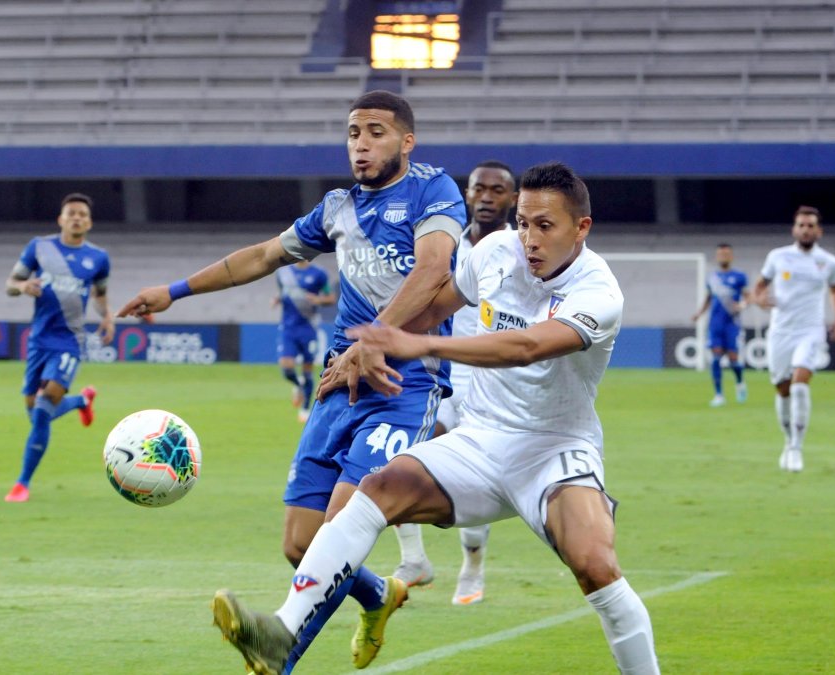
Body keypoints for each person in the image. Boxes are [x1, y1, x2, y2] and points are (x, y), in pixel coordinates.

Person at [209, 162, 661, 675]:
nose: (529, 239)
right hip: (480, 440)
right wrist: (371, 347)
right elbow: (433, 307)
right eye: (523, 222)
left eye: (545, 226)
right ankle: (281, 633)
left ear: (582, 228)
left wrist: (416, 344)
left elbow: (528, 346)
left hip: (554, 448)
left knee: (594, 566)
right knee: (376, 489)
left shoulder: (599, 292)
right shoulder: (495, 252)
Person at [119, 91, 466, 673]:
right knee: (301, 546)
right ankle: (380, 597)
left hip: (403, 387)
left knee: (340, 527)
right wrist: (174, 291)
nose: (361, 143)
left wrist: (370, 340)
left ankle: (278, 653)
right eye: (353, 132)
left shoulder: (434, 189)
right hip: (339, 384)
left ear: (407, 141)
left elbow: (435, 270)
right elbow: (260, 256)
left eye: (376, 132)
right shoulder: (336, 208)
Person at [391, 159, 517, 606]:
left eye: (497, 190)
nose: (486, 196)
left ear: (513, 198)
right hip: (442, 377)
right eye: (478, 188)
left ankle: (474, 562)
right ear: (466, 194)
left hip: (496, 383)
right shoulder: (445, 247)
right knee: (400, 460)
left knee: (476, 480)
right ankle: (414, 559)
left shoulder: (521, 250)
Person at [4, 192, 114, 503]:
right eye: (71, 213)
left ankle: (22, 484)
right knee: (36, 411)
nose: (77, 217)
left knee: (41, 412)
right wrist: (23, 285)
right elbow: (10, 283)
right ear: (61, 219)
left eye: (82, 214)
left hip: (70, 341)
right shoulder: (39, 247)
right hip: (39, 340)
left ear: (89, 222)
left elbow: (100, 293)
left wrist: (107, 317)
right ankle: (81, 401)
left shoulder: (99, 258)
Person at [753, 206, 835, 473]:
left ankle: (796, 448)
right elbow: (760, 285)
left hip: (810, 330)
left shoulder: (829, 262)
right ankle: (788, 440)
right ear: (794, 229)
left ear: (819, 231)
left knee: (801, 382)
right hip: (781, 331)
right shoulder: (778, 257)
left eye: (810, 225)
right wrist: (759, 299)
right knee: (783, 389)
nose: (805, 229)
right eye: (801, 225)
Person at [273, 261, 334, 423]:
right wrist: (278, 299)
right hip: (288, 328)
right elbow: (283, 292)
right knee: (287, 368)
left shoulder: (319, 274)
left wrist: (318, 300)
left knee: (307, 370)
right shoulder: (283, 273)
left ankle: (305, 407)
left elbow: (330, 297)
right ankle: (298, 384)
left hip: (308, 328)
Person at [691, 244, 750, 407]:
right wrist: (699, 313)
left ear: (731, 256)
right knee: (716, 358)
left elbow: (748, 297)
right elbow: (709, 298)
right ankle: (719, 395)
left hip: (732, 324)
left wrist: (742, 305)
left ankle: (740, 383)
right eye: (720, 254)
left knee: (733, 359)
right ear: (717, 257)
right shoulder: (712, 277)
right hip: (715, 323)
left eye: (726, 254)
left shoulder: (739, 277)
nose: (723, 257)